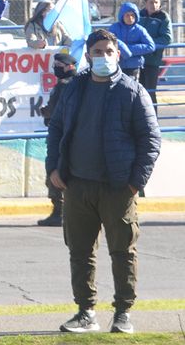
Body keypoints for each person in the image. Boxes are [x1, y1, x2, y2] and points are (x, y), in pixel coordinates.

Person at [46, 29, 161, 334]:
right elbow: (56, 128)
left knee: (123, 251)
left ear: (118, 55)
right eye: (98, 52)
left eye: (109, 51)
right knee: (80, 251)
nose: (104, 57)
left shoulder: (132, 91)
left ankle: (123, 313)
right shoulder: (74, 89)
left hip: (117, 187)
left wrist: (135, 182)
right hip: (77, 185)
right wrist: (54, 169)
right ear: (88, 56)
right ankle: (86, 312)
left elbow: (151, 140)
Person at [36, 52, 78, 227]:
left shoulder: (64, 85)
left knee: (55, 172)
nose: (55, 69)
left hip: (60, 135)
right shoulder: (77, 83)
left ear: (70, 67)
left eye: (59, 66)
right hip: (72, 135)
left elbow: (56, 112)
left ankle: (59, 213)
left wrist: (45, 112)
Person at [138, 0, 172, 105]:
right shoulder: (139, 15)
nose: (154, 5)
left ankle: (153, 121)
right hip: (137, 60)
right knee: (137, 92)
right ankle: (139, 122)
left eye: (156, 2)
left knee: (150, 93)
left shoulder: (163, 17)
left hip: (152, 61)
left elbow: (167, 38)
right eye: (151, 2)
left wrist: (148, 44)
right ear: (145, 3)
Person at [108, 2, 155, 82]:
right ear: (122, 16)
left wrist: (129, 49)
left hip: (134, 66)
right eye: (127, 15)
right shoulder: (114, 28)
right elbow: (109, 41)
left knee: (132, 90)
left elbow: (151, 46)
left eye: (132, 15)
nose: (130, 18)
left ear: (136, 16)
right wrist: (121, 47)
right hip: (116, 65)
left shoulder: (140, 30)